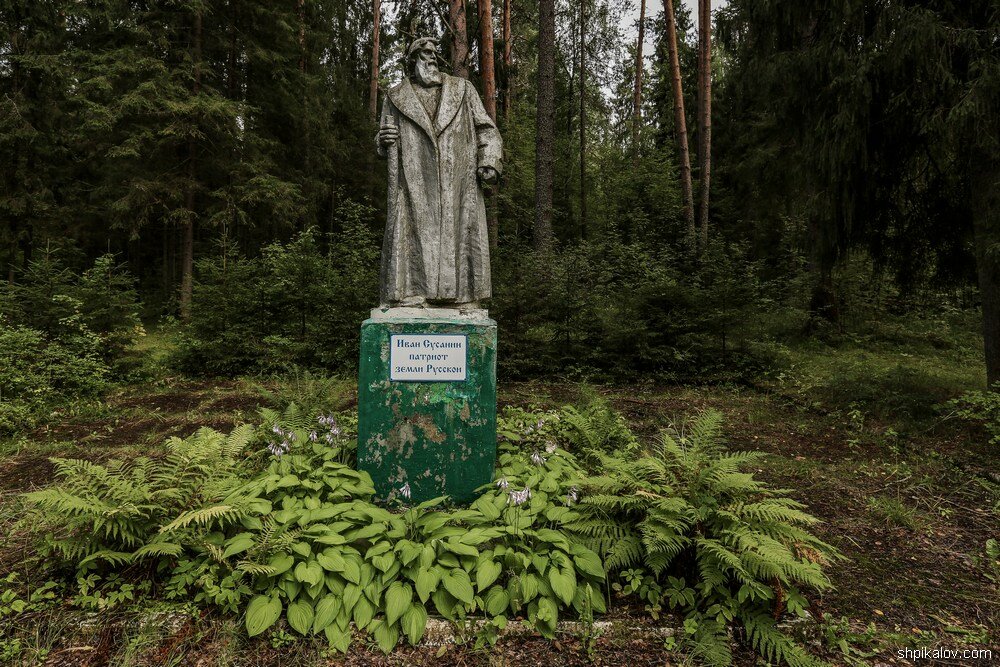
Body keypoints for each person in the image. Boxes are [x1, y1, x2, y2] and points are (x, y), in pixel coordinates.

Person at [375, 37, 502, 308]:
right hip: (413, 181)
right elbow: (384, 140)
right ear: (411, 62)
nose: (431, 58)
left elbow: (486, 129)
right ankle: (410, 294)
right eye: (423, 54)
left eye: (434, 53)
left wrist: (489, 160)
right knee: (411, 233)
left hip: (458, 180)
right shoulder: (395, 96)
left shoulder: (463, 90)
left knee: (461, 235)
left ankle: (462, 298)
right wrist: (382, 140)